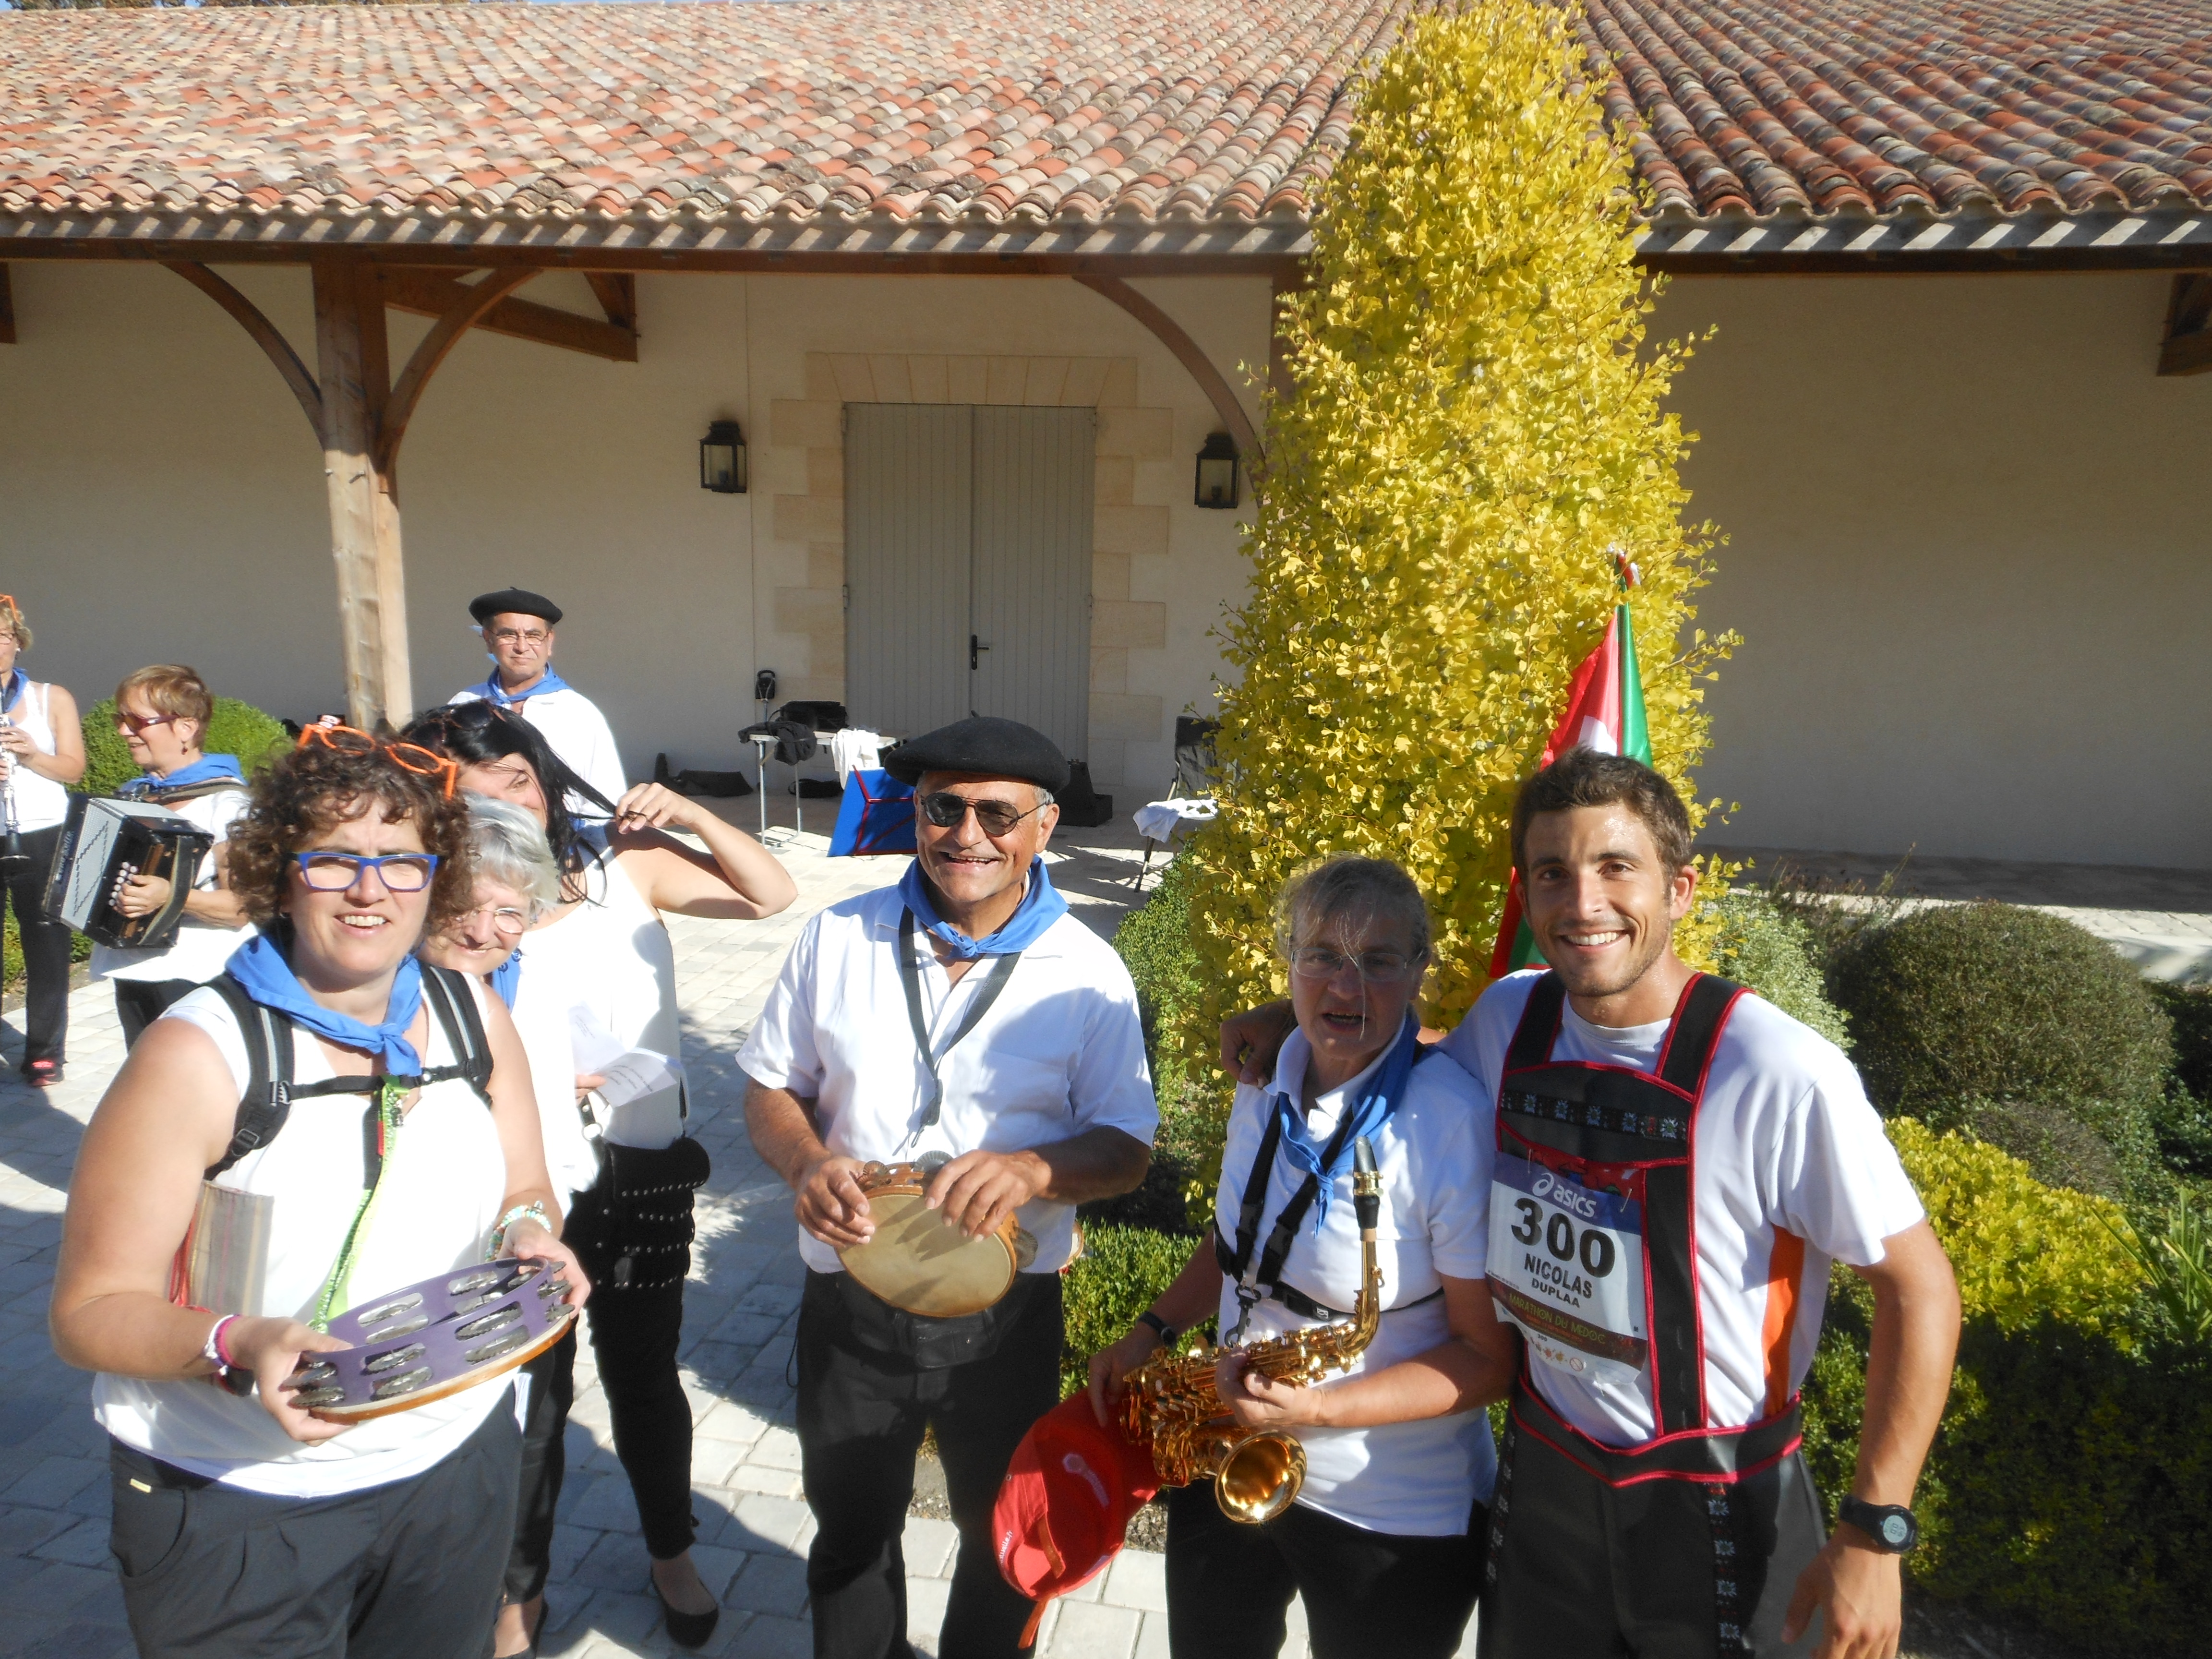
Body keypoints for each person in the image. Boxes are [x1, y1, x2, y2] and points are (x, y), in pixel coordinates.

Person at [1219, 748, 1962, 1659]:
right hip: (1548, 1479)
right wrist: (1284, 1016)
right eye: (1553, 873)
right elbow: (1397, 1046)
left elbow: (1920, 1289)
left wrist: (1876, 1531)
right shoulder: (1512, 1019)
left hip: (1717, 1492)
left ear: (1680, 889)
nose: (1582, 902)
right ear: (1525, 894)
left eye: (1616, 867)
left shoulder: (1777, 1071)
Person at [48, 724, 590, 1658]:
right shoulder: (200, 1056)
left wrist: (534, 1235)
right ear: (282, 873)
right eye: (335, 860)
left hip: (451, 1462)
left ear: (437, 876)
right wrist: (238, 1343)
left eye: (401, 862)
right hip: (241, 1496)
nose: (371, 890)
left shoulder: (472, 1015)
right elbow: (89, 1313)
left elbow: (527, 1186)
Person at [740, 714, 1158, 1659]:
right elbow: (769, 1087)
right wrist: (805, 1163)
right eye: (942, 808)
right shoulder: (838, 936)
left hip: (1004, 1323)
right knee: (850, 1536)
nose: (966, 835)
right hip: (850, 1303)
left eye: (996, 814)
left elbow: (1128, 1147)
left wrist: (1035, 1169)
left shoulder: (1089, 972)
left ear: (1043, 826)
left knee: (1005, 1541)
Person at [404, 699, 797, 1655]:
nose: (500, 806)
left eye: (514, 783)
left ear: (542, 780)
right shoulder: (442, 895)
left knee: (645, 1376)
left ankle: (673, 1553)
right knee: (532, 1395)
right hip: (515, 1181)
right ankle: (519, 1591)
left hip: (640, 1167)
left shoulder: (621, 866)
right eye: (468, 793)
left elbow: (770, 894)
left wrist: (689, 814)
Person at [1088, 855, 1514, 1659]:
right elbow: (1237, 1250)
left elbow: (1487, 1360)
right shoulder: (1262, 1077)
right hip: (1227, 1450)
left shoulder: (1450, 1123)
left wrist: (1316, 1411)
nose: (1347, 986)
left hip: (1388, 1510)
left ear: (1420, 969)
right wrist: (1150, 1329)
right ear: (1287, 960)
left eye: (1379, 961)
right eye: (1321, 955)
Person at [92, 665, 254, 1046]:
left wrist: (170, 897)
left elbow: (241, 908)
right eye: (120, 719)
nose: (123, 731)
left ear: (185, 728)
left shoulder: (229, 804)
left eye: (136, 721)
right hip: (131, 970)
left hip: (195, 977)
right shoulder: (134, 794)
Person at [0, 596, 85, 1084]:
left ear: (19, 643)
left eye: (3, 637)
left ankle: (45, 1051)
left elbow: (73, 770)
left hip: (43, 831)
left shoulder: (51, 698)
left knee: (47, 941)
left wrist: (30, 755)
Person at [450, 587, 627, 811]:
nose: (522, 647)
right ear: (488, 640)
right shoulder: (464, 705)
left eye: (533, 636)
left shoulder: (579, 713)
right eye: (508, 635)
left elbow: (605, 802)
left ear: (549, 642)